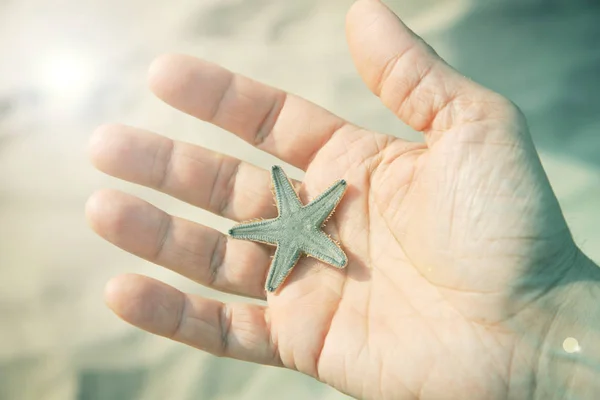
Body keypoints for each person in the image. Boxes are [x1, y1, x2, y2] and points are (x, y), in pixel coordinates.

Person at [85, 0, 600, 398]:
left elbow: (312, 219)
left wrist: (547, 317)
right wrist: (549, 326)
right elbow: (278, 220)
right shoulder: (292, 222)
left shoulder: (317, 221)